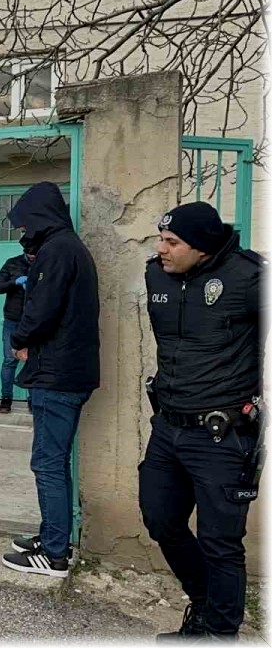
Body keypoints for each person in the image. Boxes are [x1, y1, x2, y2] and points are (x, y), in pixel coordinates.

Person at [138, 202, 265, 641]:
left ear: (204, 248)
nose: (161, 249)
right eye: (161, 239)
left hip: (222, 435)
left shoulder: (251, 278)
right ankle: (207, 605)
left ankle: (218, 634)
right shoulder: (157, 274)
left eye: (172, 242)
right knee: (160, 519)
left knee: (220, 544)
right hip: (168, 428)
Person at [0, 181, 99, 579]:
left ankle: (55, 554)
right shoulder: (69, 247)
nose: (25, 234)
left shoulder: (56, 251)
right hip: (66, 371)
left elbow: (40, 309)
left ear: (41, 217)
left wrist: (20, 340)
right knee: (53, 460)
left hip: (56, 375)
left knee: (48, 462)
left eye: (27, 225)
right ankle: (52, 536)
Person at [0, 244, 36, 414]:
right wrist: (15, 282)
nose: (32, 256)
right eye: (29, 253)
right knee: (10, 360)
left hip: (34, 321)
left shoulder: (45, 263)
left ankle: (32, 400)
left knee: (33, 360)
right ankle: (6, 399)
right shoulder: (12, 263)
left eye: (35, 253)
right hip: (13, 320)